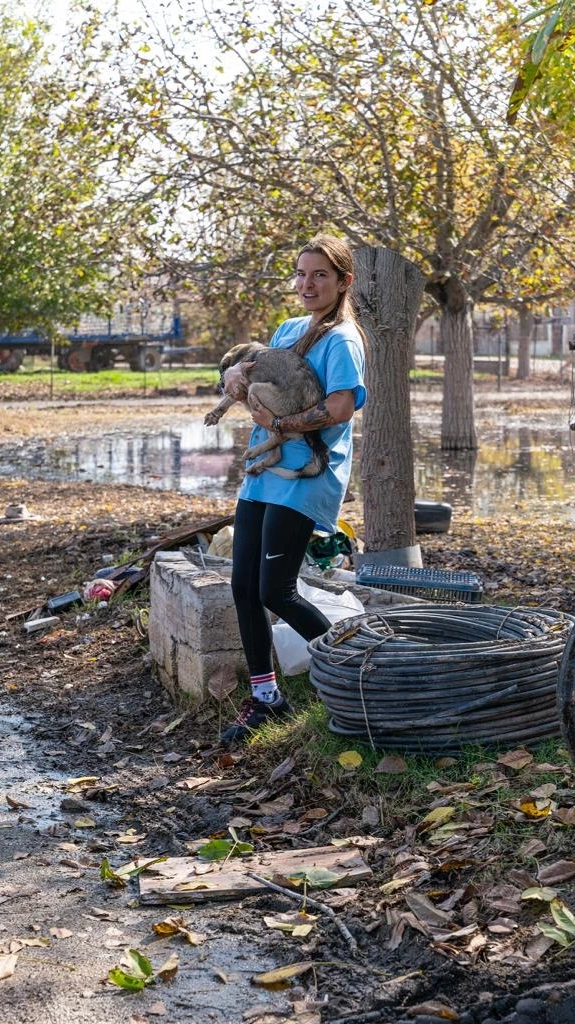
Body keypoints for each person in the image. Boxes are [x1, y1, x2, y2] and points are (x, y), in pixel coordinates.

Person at [220, 233, 367, 744]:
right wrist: (235, 375)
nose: (307, 284)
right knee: (243, 587)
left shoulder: (343, 340)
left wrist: (282, 426)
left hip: (305, 477)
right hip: (263, 474)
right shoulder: (287, 328)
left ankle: (359, 671)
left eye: (320, 275)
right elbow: (256, 374)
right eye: (302, 274)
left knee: (274, 591)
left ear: (344, 282)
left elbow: (340, 408)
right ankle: (267, 699)